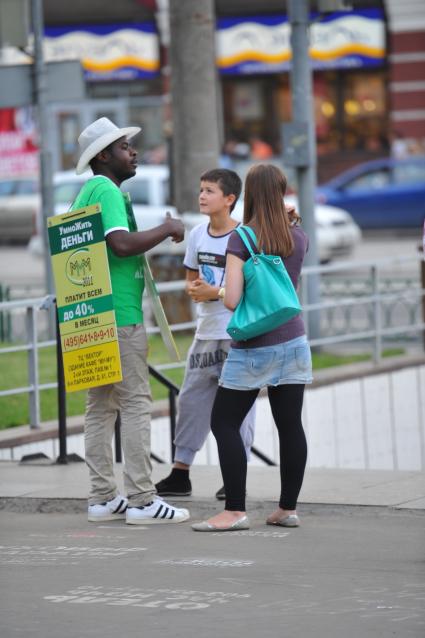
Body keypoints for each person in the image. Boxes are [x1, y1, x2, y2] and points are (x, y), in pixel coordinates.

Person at [72, 117, 190, 525]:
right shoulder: (106, 190)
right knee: (136, 403)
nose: (134, 152)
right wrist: (168, 228)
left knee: (100, 407)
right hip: (119, 314)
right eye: (125, 146)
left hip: (91, 316)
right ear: (104, 156)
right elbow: (120, 245)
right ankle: (142, 499)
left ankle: (103, 499)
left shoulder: (87, 190)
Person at [192, 163, 313, 532]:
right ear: (281, 192)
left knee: (224, 421)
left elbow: (231, 300)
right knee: (290, 425)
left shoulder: (242, 238)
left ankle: (234, 510)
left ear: (248, 195)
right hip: (293, 339)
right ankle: (287, 509)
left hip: (252, 347)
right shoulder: (299, 237)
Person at [155, 169, 255, 500]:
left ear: (230, 199)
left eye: (209, 190)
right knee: (191, 401)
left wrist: (216, 292)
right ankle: (180, 473)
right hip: (205, 332)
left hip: (238, 334)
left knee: (239, 409)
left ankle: (234, 476)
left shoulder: (246, 237)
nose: (202, 196)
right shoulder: (198, 235)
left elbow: (252, 287)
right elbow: (191, 275)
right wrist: (195, 289)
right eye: (201, 189)